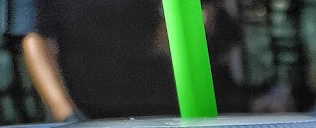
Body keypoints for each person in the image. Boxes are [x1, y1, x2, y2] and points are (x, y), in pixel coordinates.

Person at [20, 0, 232, 121]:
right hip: (87, 124)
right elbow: (35, 36)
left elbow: (199, 17)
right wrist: (69, 119)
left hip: (167, 116)